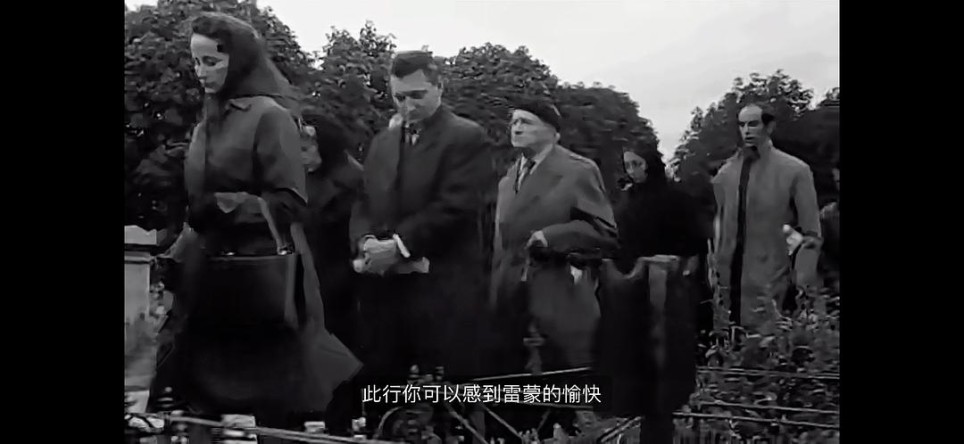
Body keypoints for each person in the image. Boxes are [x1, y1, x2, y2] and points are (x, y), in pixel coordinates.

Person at [148, 13, 360, 443]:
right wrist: (176, 255)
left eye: (212, 61)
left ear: (239, 61)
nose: (201, 72)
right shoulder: (206, 122)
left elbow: (289, 202)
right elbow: (198, 207)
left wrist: (227, 205)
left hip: (259, 280)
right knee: (194, 402)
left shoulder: (270, 116)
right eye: (197, 61)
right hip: (206, 279)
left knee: (271, 406)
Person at [349, 50, 494, 396]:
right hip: (386, 293)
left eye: (417, 95)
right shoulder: (382, 142)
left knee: (448, 399)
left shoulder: (466, 137)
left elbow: (457, 205)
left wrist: (399, 245)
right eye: (399, 97)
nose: (408, 106)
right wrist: (365, 242)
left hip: (441, 289)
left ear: (439, 87)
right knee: (384, 394)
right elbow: (363, 201)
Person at [489, 98, 617, 374]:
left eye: (526, 122)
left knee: (561, 383)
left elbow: (604, 232)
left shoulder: (578, 170)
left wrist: (552, 237)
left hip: (558, 295)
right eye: (514, 122)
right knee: (511, 385)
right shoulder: (508, 179)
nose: (516, 128)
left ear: (552, 131)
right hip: (509, 300)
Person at [711, 102, 822, 331]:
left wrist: (802, 285)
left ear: (769, 127)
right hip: (730, 285)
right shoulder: (725, 174)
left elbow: (810, 234)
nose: (746, 130)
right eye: (742, 125)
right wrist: (715, 273)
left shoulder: (795, 170)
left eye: (753, 124)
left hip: (774, 281)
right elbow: (719, 226)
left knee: (772, 340)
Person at [298, 113, 365, 435]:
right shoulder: (295, 179)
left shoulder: (350, 182)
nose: (300, 156)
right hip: (298, 286)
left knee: (337, 378)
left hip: (337, 290)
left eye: (306, 148)